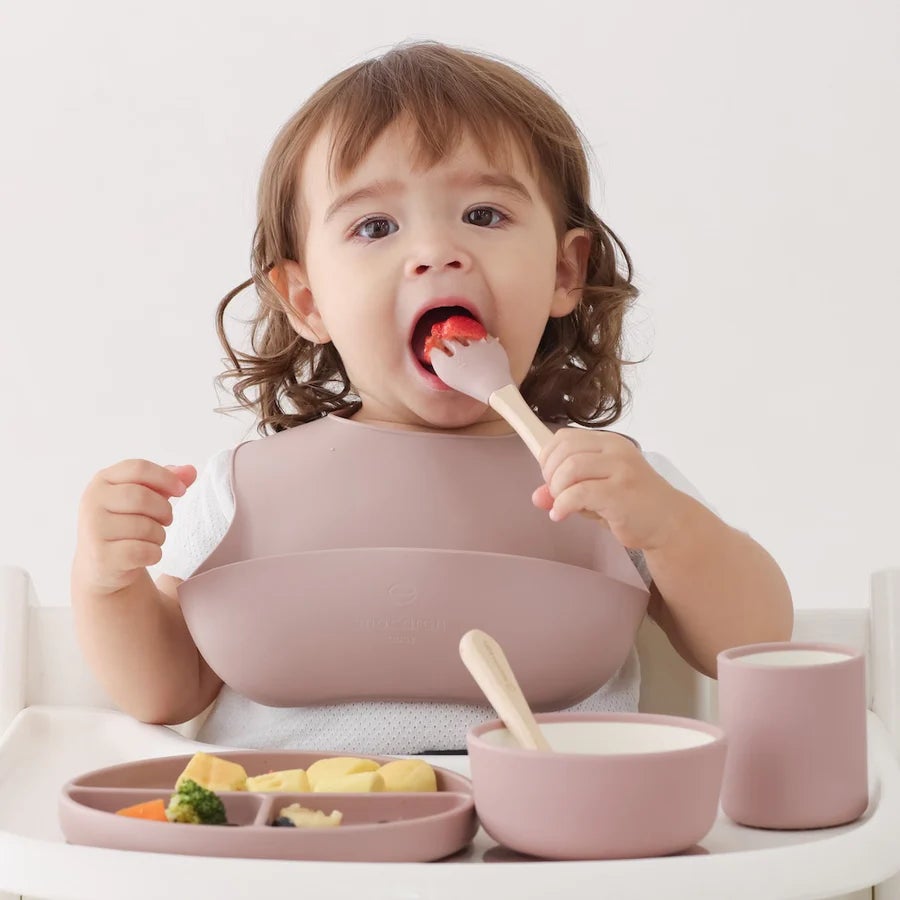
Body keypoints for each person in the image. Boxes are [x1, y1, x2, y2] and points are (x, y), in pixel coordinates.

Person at [71, 41, 793, 754]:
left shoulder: (613, 488)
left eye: (483, 215)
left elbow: (753, 642)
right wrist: (108, 583)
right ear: (307, 300)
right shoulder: (239, 493)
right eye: (375, 227)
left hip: (545, 825)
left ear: (564, 272)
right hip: (293, 821)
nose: (436, 253)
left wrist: (671, 528)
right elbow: (168, 690)